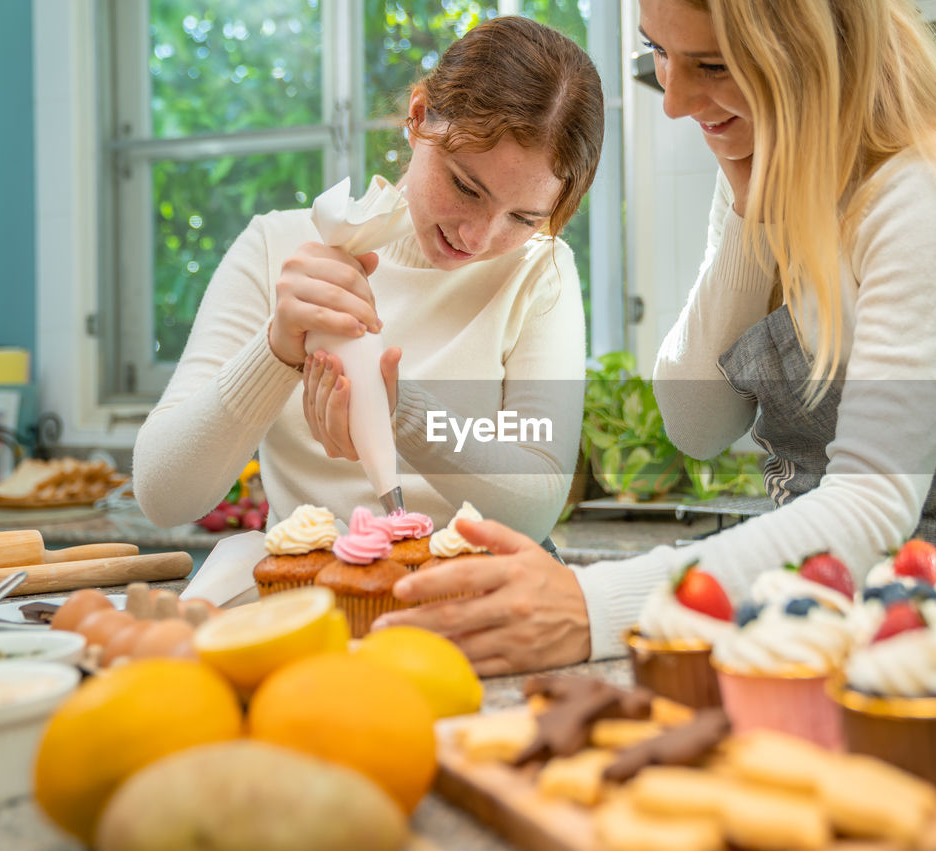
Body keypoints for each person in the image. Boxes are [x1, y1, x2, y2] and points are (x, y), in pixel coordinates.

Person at [376, 0, 936, 674]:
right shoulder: (769, 168)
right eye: (659, 51)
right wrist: (749, 213)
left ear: (806, 48)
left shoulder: (926, 190)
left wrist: (592, 605)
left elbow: (874, 500)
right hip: (833, 602)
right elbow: (695, 423)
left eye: (710, 63)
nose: (673, 100)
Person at [133, 16, 604, 546]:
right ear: (419, 117)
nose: (478, 236)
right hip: (302, 605)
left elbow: (534, 511)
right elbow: (162, 496)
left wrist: (399, 409)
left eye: (523, 218)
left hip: (470, 611)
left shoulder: (539, 272)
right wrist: (276, 349)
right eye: (467, 187)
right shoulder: (277, 248)